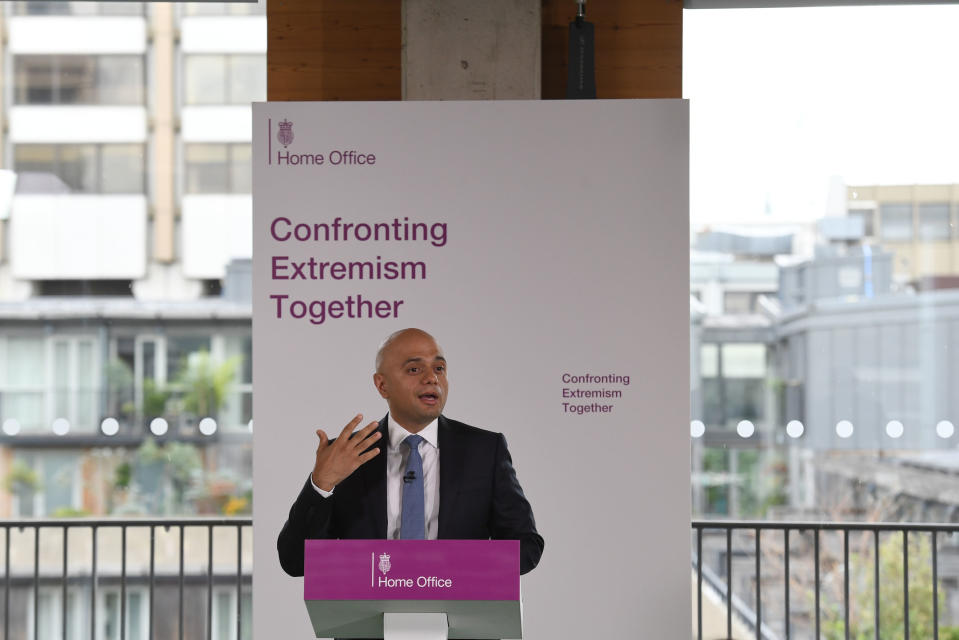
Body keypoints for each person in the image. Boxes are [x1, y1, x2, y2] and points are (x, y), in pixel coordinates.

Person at [277, 328, 544, 578]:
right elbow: (295, 561)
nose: (432, 378)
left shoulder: (484, 450)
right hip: (368, 622)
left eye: (439, 368)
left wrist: (457, 569)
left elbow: (526, 545)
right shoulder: (348, 453)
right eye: (415, 369)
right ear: (382, 385)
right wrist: (321, 485)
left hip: (458, 621)